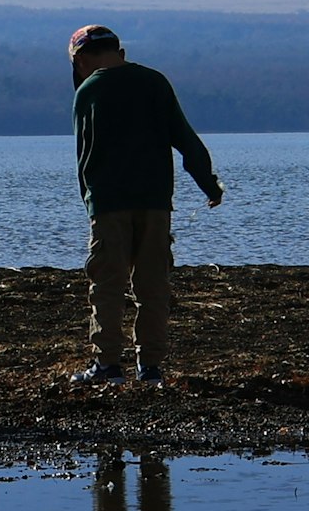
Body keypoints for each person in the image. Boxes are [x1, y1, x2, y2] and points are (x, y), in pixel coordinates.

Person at [67, 22, 220, 386]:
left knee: (107, 285)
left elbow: (83, 158)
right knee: (153, 285)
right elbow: (185, 138)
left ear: (81, 60)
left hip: (109, 205)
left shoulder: (88, 91)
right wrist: (209, 184)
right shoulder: (155, 82)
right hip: (155, 203)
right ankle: (150, 367)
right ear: (120, 53)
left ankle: (108, 365)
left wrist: (89, 201)